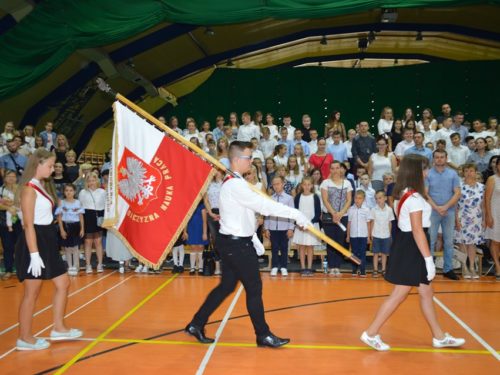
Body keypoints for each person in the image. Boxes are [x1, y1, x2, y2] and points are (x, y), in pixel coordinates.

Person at [185, 141, 310, 348]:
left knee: (226, 287)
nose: (251, 161)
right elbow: (263, 206)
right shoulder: (235, 184)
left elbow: (241, 216)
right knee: (254, 288)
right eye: (248, 157)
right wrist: (295, 214)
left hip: (233, 242)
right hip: (237, 247)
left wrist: (252, 238)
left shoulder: (234, 181)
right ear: (236, 160)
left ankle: (196, 324)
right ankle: (263, 335)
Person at [360, 154, 465, 351]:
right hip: (412, 246)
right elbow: (417, 230)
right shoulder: (414, 198)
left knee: (426, 291)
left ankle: (439, 336)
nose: (428, 172)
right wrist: (428, 260)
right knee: (400, 293)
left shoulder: (407, 193)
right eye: (425, 169)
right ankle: (371, 333)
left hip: (409, 243)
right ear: (417, 171)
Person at [15, 148, 82, 351]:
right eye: (50, 165)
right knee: (32, 293)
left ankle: (59, 328)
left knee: (63, 282)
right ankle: (25, 338)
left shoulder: (41, 186)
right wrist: (34, 255)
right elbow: (28, 225)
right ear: (38, 165)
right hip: (33, 243)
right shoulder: (28, 189)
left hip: (47, 239)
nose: (53, 169)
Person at [426, 149, 461, 280]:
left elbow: (457, 193)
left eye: (442, 157)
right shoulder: (428, 174)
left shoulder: (453, 174)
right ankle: (428, 269)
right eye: (437, 157)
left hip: (449, 211)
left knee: (449, 242)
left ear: (446, 158)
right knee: (431, 241)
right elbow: (425, 193)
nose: (439, 159)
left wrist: (445, 207)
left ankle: (448, 269)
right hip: (432, 212)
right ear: (433, 159)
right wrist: (437, 207)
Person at [320, 161, 353, 276]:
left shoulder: (347, 183)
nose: (335, 170)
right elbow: (325, 200)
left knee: (339, 241)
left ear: (341, 169)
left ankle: (337, 267)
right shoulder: (325, 183)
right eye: (332, 168)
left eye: (337, 168)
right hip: (329, 217)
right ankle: (331, 266)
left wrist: (341, 213)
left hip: (342, 217)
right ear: (330, 170)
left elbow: (349, 200)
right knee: (330, 242)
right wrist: (334, 213)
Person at [455, 164, 484, 279]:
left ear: (476, 172)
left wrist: (484, 219)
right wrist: (456, 220)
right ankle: (464, 267)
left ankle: (472, 266)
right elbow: (455, 206)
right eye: (466, 171)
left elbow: (484, 205)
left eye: (471, 171)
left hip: (476, 218)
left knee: (472, 244)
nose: (468, 173)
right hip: (462, 217)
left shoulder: (482, 187)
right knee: (462, 243)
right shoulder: (458, 187)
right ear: (463, 172)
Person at [264, 176, 295, 276]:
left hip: (284, 228)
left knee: (284, 248)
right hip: (273, 228)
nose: (276, 186)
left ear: (283, 184)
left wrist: (291, 228)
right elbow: (267, 214)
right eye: (274, 184)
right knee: (274, 248)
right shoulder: (270, 199)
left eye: (278, 184)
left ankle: (284, 267)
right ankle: (274, 266)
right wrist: (266, 228)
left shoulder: (289, 198)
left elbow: (292, 214)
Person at [293, 176, 321, 276]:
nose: (306, 186)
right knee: (301, 246)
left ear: (312, 185)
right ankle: (303, 268)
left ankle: (309, 267)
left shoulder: (315, 197)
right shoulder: (298, 197)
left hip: (311, 225)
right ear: (301, 185)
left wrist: (309, 224)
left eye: (308, 184)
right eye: (304, 184)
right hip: (300, 225)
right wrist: (299, 223)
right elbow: (295, 212)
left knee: (310, 247)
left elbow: (318, 213)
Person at [79, 172, 106, 274]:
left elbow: (106, 207)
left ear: (97, 181)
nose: (91, 182)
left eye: (93, 180)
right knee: (88, 242)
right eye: (89, 181)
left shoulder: (102, 192)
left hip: (99, 216)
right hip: (87, 217)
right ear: (87, 182)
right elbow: (80, 209)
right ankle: (88, 265)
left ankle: (100, 264)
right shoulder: (82, 192)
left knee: (98, 242)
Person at [56, 184, 84, 276]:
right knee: (67, 248)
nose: (69, 192)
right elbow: (59, 217)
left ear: (74, 192)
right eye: (67, 190)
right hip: (65, 226)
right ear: (64, 192)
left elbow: (81, 217)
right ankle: (70, 266)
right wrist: (61, 230)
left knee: (75, 248)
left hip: (75, 226)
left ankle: (76, 266)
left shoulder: (78, 202)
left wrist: (82, 229)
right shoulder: (61, 202)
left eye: (71, 190)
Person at [0, 170, 22, 281]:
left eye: (13, 176)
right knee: (8, 247)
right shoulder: (1, 190)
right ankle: (8, 270)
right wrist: (8, 208)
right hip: (5, 223)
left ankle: (20, 270)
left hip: (19, 222)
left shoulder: (20, 189)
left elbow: (23, 202)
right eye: (9, 176)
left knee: (20, 246)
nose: (11, 178)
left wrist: (14, 206)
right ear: (4, 178)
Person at [346, 190, 372, 277]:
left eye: (360, 198)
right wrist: (348, 235)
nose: (357, 200)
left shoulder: (367, 210)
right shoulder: (350, 209)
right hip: (353, 235)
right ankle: (354, 269)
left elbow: (368, 224)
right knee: (354, 253)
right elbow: (349, 223)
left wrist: (368, 236)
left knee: (362, 253)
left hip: (363, 235)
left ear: (363, 199)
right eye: (356, 198)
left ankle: (362, 270)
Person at [370, 190, 394, 277]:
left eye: (380, 198)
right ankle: (375, 270)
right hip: (376, 234)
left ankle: (384, 269)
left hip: (386, 235)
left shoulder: (389, 210)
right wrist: (370, 234)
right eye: (376, 198)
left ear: (385, 198)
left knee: (384, 253)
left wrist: (390, 234)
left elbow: (390, 223)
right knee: (375, 253)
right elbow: (372, 222)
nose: (378, 200)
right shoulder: (373, 210)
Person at [484, 157, 500, 280]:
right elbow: (487, 199)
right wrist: (488, 216)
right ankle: (498, 267)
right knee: (495, 241)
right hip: (495, 212)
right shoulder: (492, 179)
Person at [186, 201, 208, 275]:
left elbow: (205, 222)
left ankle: (200, 268)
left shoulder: (202, 207)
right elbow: (185, 221)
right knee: (193, 247)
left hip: (200, 229)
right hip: (191, 229)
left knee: (200, 247)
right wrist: (185, 232)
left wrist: (204, 233)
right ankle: (192, 268)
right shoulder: (189, 205)